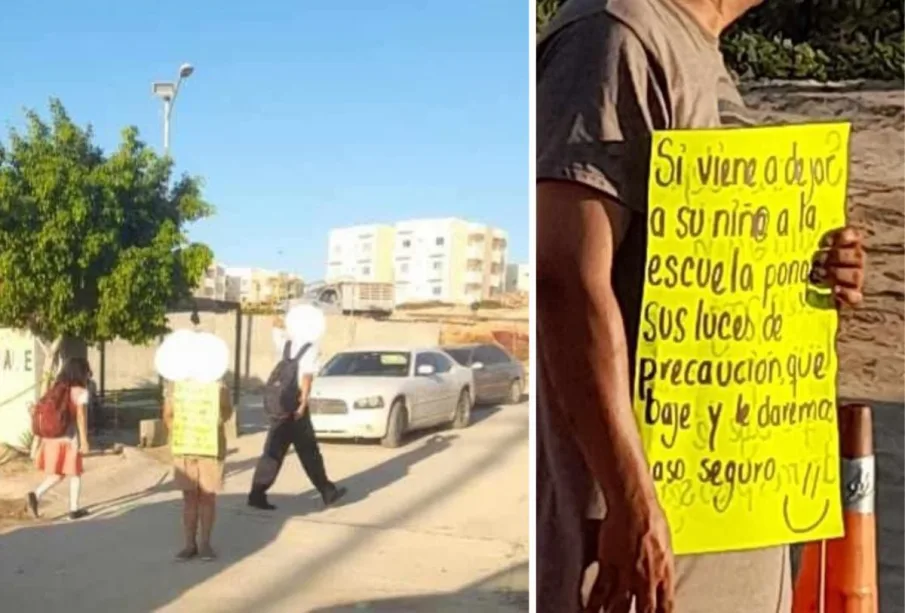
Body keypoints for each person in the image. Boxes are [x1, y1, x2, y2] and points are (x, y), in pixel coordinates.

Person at [536, 1, 867, 612]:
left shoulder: (699, 47)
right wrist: (632, 504)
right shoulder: (614, 36)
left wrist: (813, 269)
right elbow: (567, 277)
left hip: (737, 512)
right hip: (643, 544)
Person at [247, 313, 346, 510]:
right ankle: (327, 491)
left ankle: (257, 493)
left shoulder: (285, 343)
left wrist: (282, 319)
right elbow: (307, 378)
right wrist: (302, 405)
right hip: (296, 406)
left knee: (272, 452)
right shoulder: (310, 347)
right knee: (309, 451)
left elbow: (275, 324)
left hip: (280, 406)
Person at [163, 378, 234, 561]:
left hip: (211, 447)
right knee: (189, 497)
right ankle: (189, 544)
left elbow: (226, 412)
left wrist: (209, 423)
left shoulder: (218, 384)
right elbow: (168, 415)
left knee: (208, 495)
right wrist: (182, 433)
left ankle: (205, 544)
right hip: (185, 448)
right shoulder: (175, 384)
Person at [26, 357, 93, 521]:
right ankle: (74, 510)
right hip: (69, 439)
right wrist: (84, 440)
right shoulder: (80, 392)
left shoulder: (56, 388)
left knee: (60, 473)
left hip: (52, 438)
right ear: (81, 373)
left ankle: (36, 494)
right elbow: (80, 417)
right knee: (75, 472)